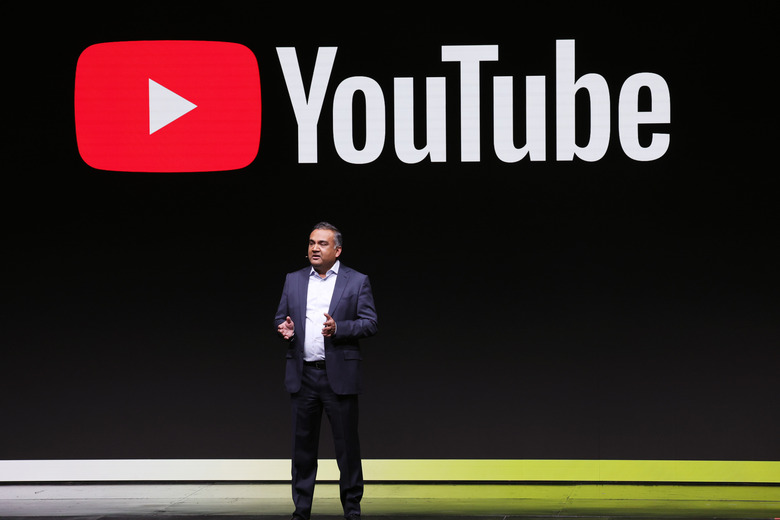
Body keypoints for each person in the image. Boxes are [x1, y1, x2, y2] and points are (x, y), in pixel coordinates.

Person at [274, 222, 378, 520]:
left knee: (347, 449)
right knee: (302, 449)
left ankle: (352, 511)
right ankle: (301, 510)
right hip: (303, 376)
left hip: (338, 378)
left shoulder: (356, 281)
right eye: (311, 243)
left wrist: (339, 328)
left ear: (337, 250)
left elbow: (370, 323)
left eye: (322, 243)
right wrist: (285, 329)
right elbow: (281, 318)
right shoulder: (293, 280)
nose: (315, 248)